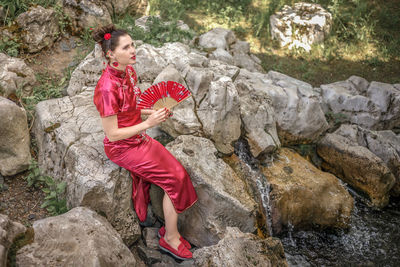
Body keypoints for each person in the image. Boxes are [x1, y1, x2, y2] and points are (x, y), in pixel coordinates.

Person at [92, 24, 198, 260]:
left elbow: (132, 109)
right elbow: (112, 135)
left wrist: (154, 112)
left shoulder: (128, 72)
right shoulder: (107, 88)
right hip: (121, 147)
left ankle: (167, 230)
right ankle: (170, 239)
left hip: (138, 137)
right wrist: (149, 124)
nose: (133, 50)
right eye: (126, 47)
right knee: (175, 178)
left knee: (179, 173)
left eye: (133, 45)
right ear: (111, 54)